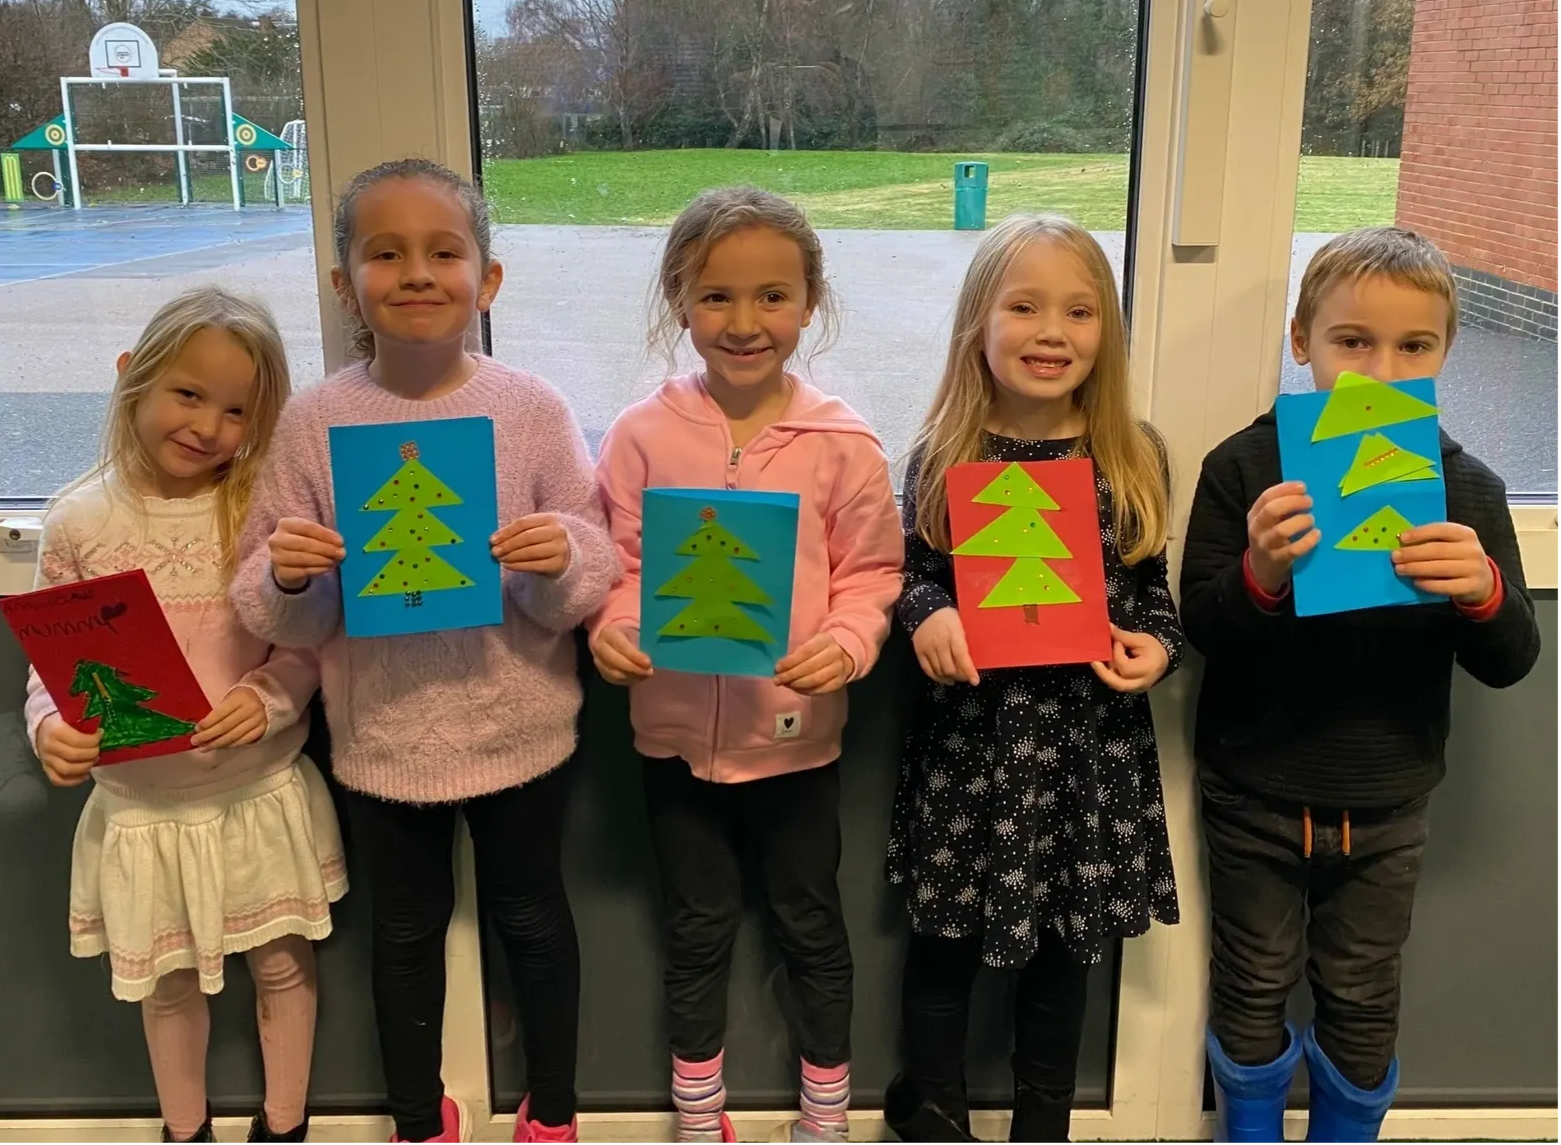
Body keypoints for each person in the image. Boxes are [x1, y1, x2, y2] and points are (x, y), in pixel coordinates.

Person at [231, 159, 618, 1145]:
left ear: (486, 279)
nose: (416, 272)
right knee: (401, 936)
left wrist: (557, 558)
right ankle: (419, 1121)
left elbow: (593, 570)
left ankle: (554, 1114)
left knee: (532, 920)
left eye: (444, 251)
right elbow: (284, 613)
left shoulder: (530, 408)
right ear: (342, 282)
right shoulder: (313, 421)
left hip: (520, 724)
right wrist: (286, 577)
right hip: (381, 737)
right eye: (385, 252)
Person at [1180, 226, 1542, 1145]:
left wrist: (1483, 591)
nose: (1380, 370)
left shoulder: (1464, 488)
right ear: (1300, 340)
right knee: (1252, 980)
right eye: (1351, 342)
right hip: (1253, 791)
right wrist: (1259, 572)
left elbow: (1511, 658)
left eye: (1412, 346)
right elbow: (1202, 629)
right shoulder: (1244, 469)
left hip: (1387, 800)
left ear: (1444, 352)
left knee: (1361, 988)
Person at [589, 186, 903, 1145]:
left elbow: (872, 574)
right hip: (674, 736)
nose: (744, 321)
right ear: (680, 300)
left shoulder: (843, 444)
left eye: (772, 295)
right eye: (717, 296)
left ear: (810, 302)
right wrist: (609, 624)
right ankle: (697, 1114)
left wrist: (849, 644)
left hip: (797, 739)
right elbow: (621, 565)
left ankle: (825, 1113)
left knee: (813, 927)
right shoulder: (641, 435)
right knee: (695, 929)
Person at [884, 213, 1182, 1145]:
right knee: (942, 951)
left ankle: (1042, 1123)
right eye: (1024, 306)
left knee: (1065, 960)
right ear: (979, 322)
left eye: (1079, 311)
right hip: (973, 754)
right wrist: (926, 614)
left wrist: (1155, 648)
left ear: (1107, 334)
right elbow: (910, 576)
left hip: (1085, 762)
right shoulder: (944, 455)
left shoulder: (1132, 456)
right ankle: (930, 1109)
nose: (1052, 331)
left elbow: (1153, 591)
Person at [26, 286, 343, 1145]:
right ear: (133, 378)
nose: (208, 425)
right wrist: (49, 728)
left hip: (257, 793)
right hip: (141, 811)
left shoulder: (260, 515)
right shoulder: (77, 520)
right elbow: (53, 666)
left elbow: (308, 643)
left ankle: (286, 1126)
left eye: (237, 409)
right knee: (165, 983)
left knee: (281, 963)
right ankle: (184, 1130)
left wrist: (267, 699)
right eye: (188, 394)